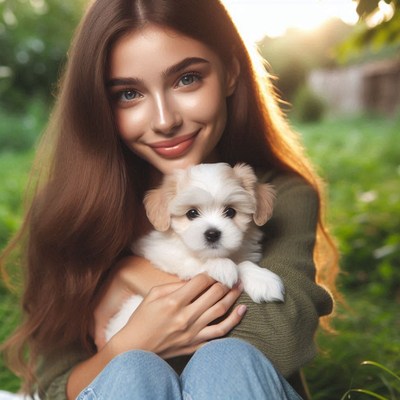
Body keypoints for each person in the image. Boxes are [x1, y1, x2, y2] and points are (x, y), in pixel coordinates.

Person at [1, 0, 340, 399]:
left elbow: (278, 337)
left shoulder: (283, 194)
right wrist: (127, 345)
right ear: (99, 107)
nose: (165, 120)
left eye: (186, 79)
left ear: (231, 72)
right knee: (131, 369)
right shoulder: (75, 215)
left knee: (226, 359)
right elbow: (56, 387)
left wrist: (130, 274)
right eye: (129, 93)